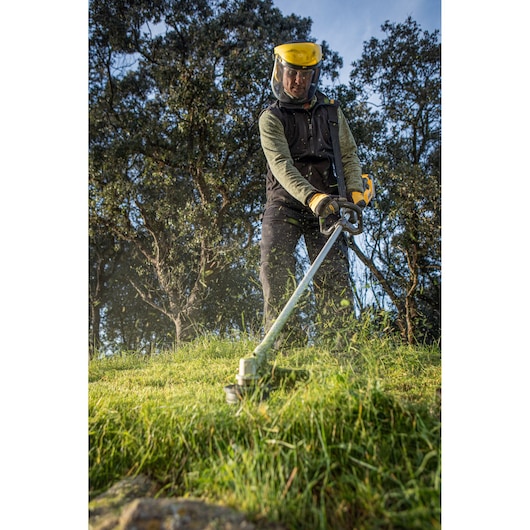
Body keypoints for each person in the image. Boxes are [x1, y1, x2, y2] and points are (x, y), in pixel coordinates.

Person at [258, 41, 367, 350]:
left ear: (315, 76)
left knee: (333, 274)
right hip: (284, 203)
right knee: (274, 266)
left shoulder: (331, 112)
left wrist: (356, 190)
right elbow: (280, 164)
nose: (298, 81)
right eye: (292, 74)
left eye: (305, 75)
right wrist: (311, 197)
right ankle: (285, 345)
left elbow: (348, 156)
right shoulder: (271, 117)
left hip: (329, 202)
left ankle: (339, 345)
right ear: (280, 73)